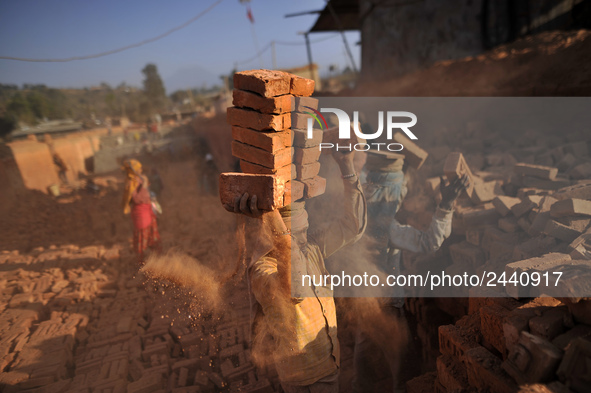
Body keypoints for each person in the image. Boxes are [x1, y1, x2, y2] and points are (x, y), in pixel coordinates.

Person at [223, 149, 367, 393]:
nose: (303, 234)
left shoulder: (311, 248)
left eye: (304, 229)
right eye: (296, 232)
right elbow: (295, 289)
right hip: (303, 378)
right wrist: (270, 213)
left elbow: (353, 227)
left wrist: (347, 168)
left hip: (330, 362)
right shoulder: (261, 269)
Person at [352, 149, 469, 393]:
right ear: (388, 195)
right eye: (396, 194)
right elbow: (429, 242)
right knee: (405, 369)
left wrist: (402, 166)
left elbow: (388, 187)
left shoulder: (354, 216)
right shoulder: (389, 229)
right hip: (386, 306)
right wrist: (446, 204)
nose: (400, 198)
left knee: (363, 359)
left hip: (359, 302)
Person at [122, 159, 162, 265]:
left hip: (148, 210)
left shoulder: (139, 178)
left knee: (153, 236)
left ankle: (157, 260)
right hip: (140, 213)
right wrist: (144, 185)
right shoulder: (131, 182)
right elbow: (135, 199)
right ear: (133, 170)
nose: (141, 169)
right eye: (138, 168)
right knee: (142, 237)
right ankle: (142, 264)